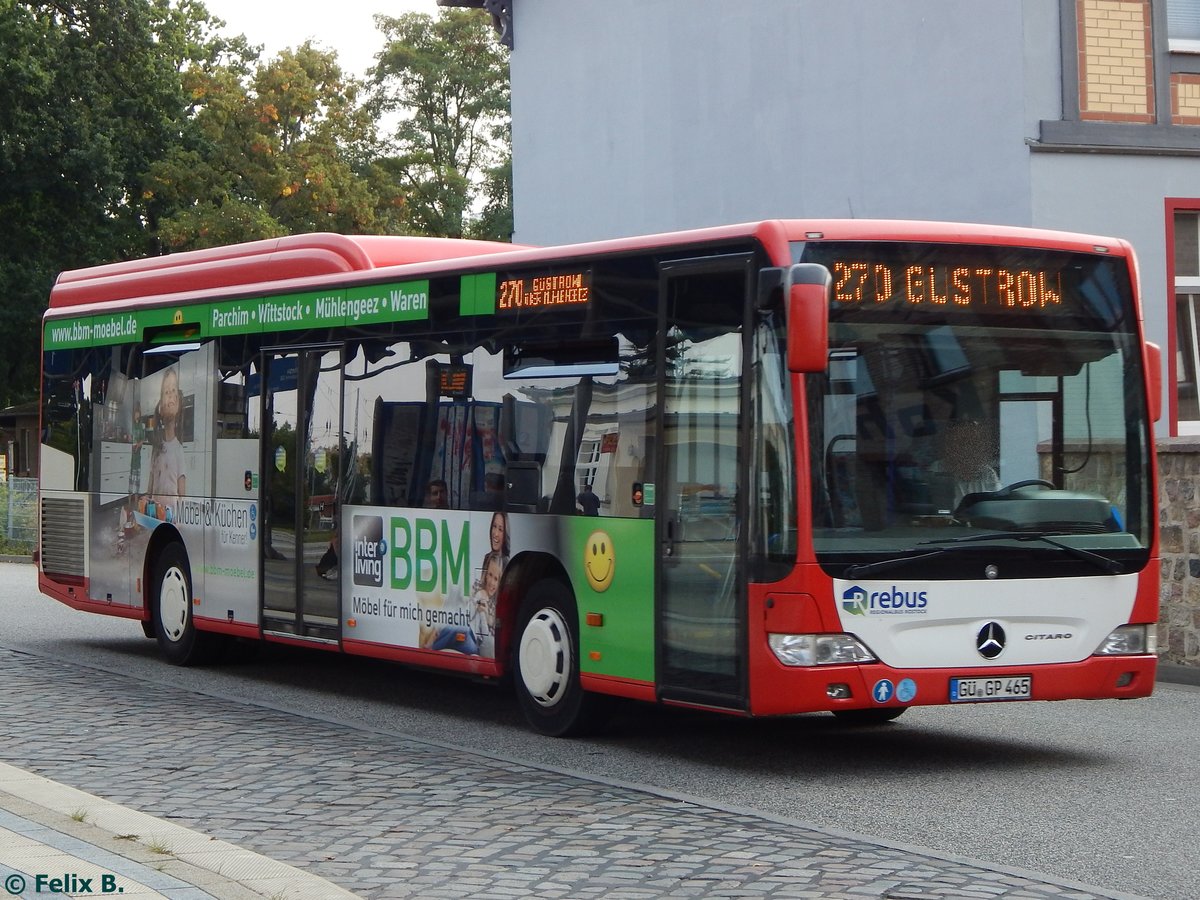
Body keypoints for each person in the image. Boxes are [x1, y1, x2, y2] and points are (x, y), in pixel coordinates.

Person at [148, 367, 186, 509]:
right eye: (166, 392)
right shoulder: (156, 448)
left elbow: (182, 494)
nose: (170, 395)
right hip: (155, 515)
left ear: (178, 403)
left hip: (172, 517)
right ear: (160, 408)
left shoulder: (179, 449)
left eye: (173, 390)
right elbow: (150, 484)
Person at [941, 419, 1000, 505]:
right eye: (963, 441)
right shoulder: (938, 470)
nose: (969, 446)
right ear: (952, 445)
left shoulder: (987, 473)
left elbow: (996, 505)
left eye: (974, 442)